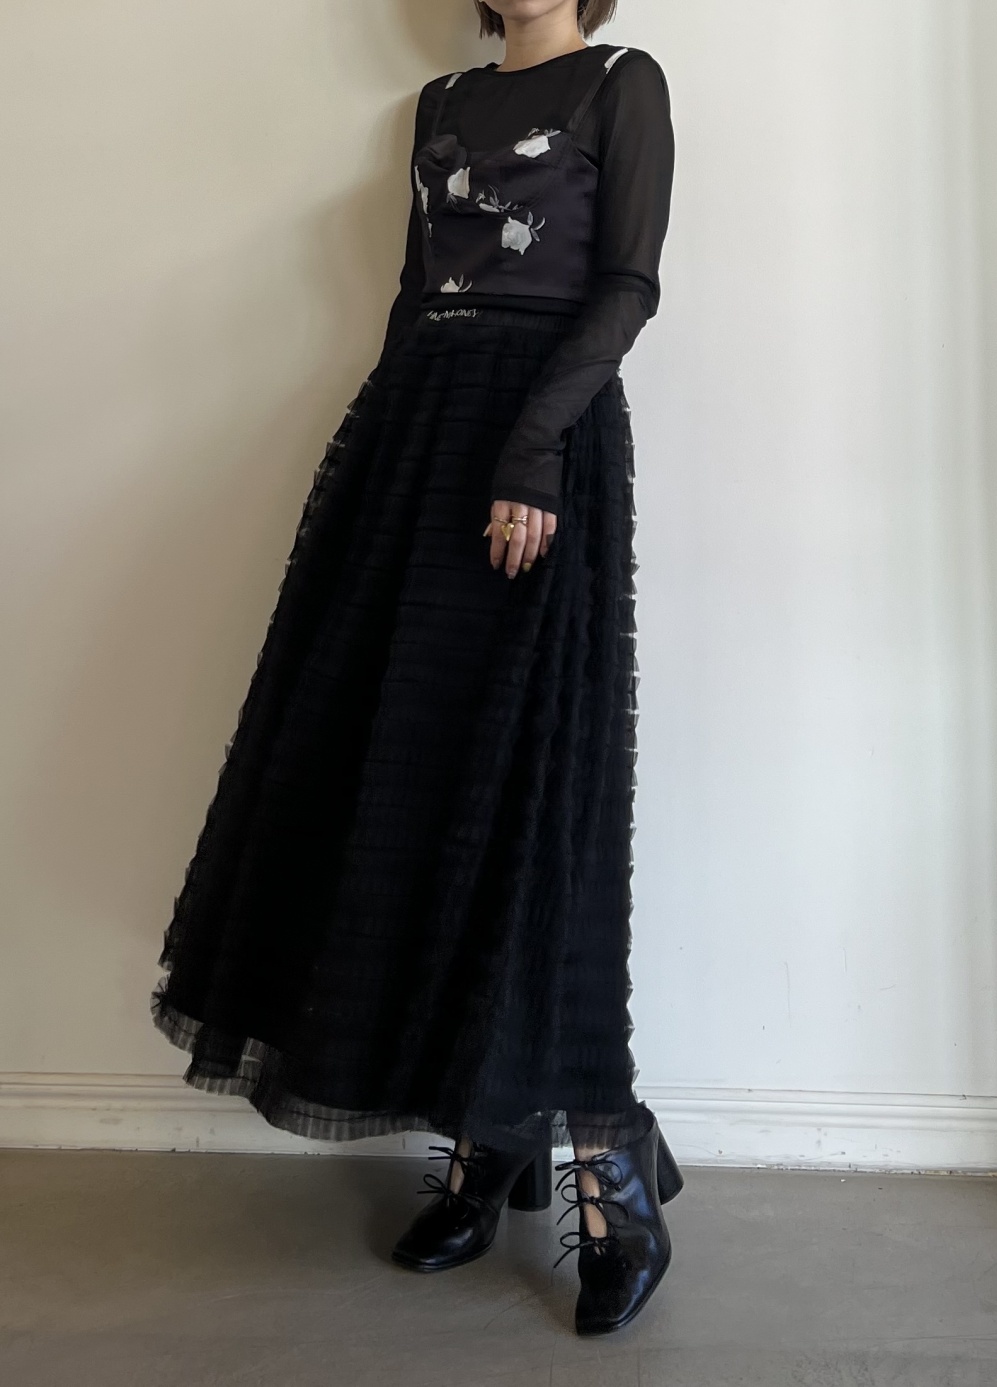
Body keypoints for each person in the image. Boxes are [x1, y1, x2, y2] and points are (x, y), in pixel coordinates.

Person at [150, 0, 678, 1337]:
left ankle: (611, 1171)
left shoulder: (624, 82)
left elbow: (625, 285)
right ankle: (482, 1138)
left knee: (535, 808)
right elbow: (411, 294)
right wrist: (380, 475)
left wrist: (529, 454)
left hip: (540, 444)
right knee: (412, 788)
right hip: (421, 439)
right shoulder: (440, 105)